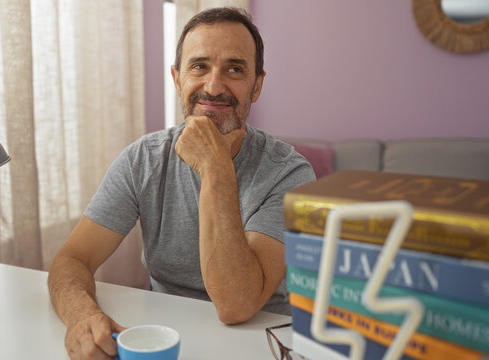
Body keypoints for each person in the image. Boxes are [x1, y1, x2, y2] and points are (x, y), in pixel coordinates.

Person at [47, 7, 315, 359]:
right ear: (177, 79)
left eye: (234, 69)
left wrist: (215, 168)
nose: (214, 86)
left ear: (257, 85)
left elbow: (236, 305)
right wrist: (82, 316)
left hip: (260, 343)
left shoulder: (291, 174)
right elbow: (72, 259)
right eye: (199, 66)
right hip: (165, 339)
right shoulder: (142, 159)